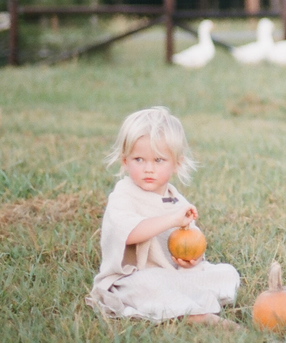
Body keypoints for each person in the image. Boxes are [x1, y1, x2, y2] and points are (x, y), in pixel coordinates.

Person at [86, 106, 240, 327]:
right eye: (139, 159)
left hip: (172, 275)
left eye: (158, 160)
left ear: (176, 163)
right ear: (124, 160)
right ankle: (197, 315)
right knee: (149, 285)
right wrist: (171, 220)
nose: (149, 168)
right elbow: (130, 234)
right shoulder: (123, 195)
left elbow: (190, 242)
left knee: (227, 273)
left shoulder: (177, 201)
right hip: (133, 277)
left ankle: (185, 301)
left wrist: (190, 261)